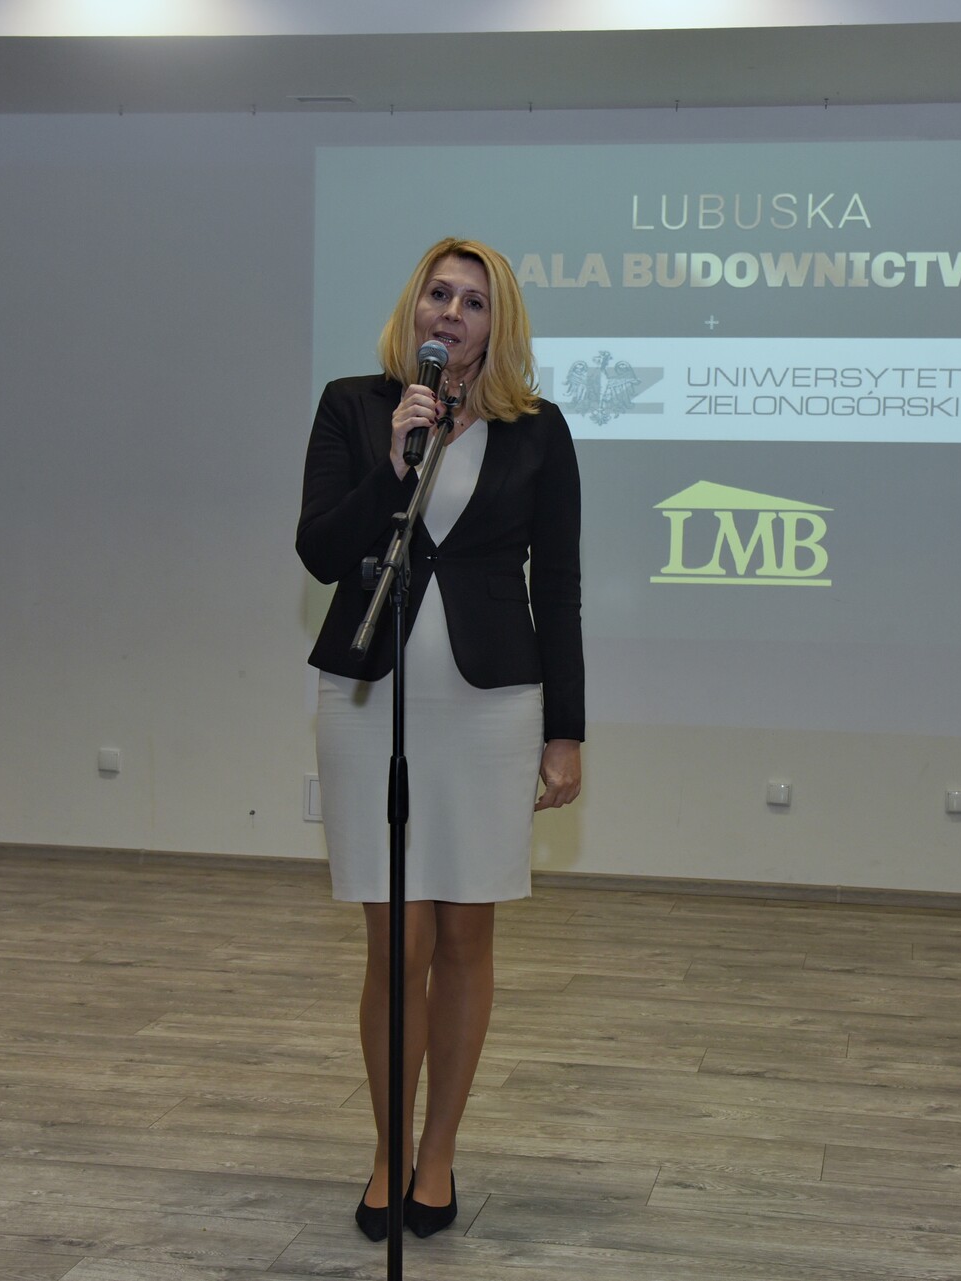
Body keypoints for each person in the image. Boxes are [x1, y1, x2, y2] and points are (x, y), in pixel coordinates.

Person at [296, 237, 584, 1241]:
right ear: (413, 308)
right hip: (368, 698)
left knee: (464, 937)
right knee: (397, 941)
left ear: (497, 324)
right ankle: (386, 1151)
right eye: (438, 294)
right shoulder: (355, 407)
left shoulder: (539, 429)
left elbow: (559, 585)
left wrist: (566, 730)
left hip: (491, 706)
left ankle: (438, 1155)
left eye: (473, 300)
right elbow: (320, 550)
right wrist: (392, 464)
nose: (451, 313)